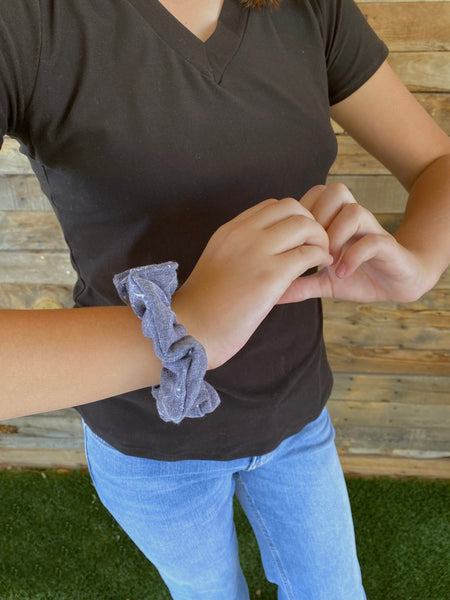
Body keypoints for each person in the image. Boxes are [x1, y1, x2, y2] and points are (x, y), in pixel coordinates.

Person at [0, 0, 449, 598]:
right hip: (150, 443)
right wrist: (186, 328)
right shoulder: (27, 22)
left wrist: (417, 267)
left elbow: (438, 162)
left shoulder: (312, 9)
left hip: (296, 414)